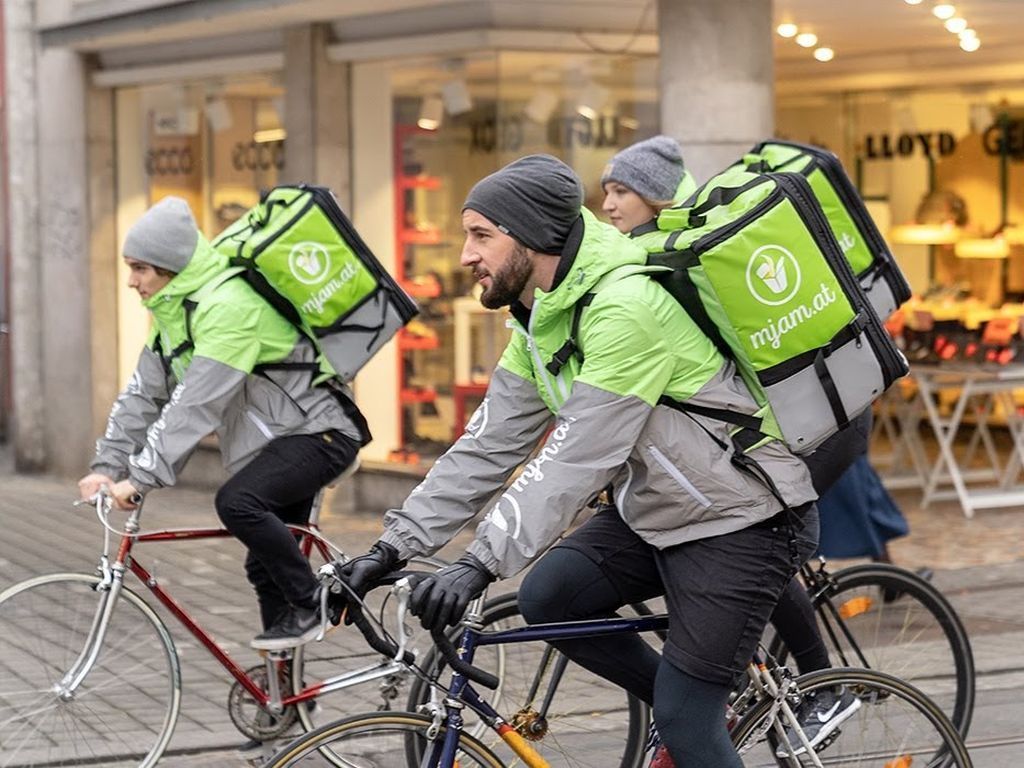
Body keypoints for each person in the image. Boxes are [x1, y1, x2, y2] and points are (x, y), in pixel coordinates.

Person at [337, 154, 820, 767]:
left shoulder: (626, 308)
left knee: (683, 716)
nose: (465, 255)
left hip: (741, 519)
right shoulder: (541, 318)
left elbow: (575, 459)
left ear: (535, 237)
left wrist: (479, 564)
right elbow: (488, 445)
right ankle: (709, 712)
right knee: (551, 600)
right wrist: (391, 549)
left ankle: (695, 719)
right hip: (661, 510)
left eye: (482, 235)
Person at [599, 135, 866, 764]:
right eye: (606, 190)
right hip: (780, 424)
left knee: (756, 534)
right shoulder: (659, 252)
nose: (607, 204)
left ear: (657, 195)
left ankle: (821, 684)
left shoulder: (693, 251)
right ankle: (731, 675)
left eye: (620, 190)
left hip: (820, 425)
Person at [78, 196, 368, 652]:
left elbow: (195, 406)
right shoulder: (175, 315)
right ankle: (285, 705)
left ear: (169, 266)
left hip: (322, 434)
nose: (131, 281)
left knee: (238, 502)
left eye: (139, 268)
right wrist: (107, 466)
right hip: (282, 444)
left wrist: (140, 480)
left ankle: (318, 603)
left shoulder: (229, 306)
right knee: (262, 565)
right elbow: (141, 396)